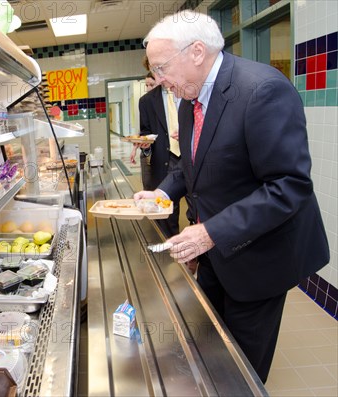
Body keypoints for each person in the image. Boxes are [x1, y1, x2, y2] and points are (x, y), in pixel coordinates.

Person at [134, 10, 329, 383]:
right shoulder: (190, 102)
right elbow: (192, 165)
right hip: (217, 255)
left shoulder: (261, 90)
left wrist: (209, 233)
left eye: (161, 68)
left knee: (242, 371)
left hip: (261, 258)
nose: (159, 81)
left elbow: (289, 185)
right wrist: (162, 192)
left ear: (196, 52)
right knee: (212, 348)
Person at [130, 60, 182, 237]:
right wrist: (145, 143)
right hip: (164, 160)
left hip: (192, 159)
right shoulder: (146, 101)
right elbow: (146, 131)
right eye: (154, 71)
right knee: (166, 211)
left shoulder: (188, 92)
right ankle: (169, 249)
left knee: (198, 207)